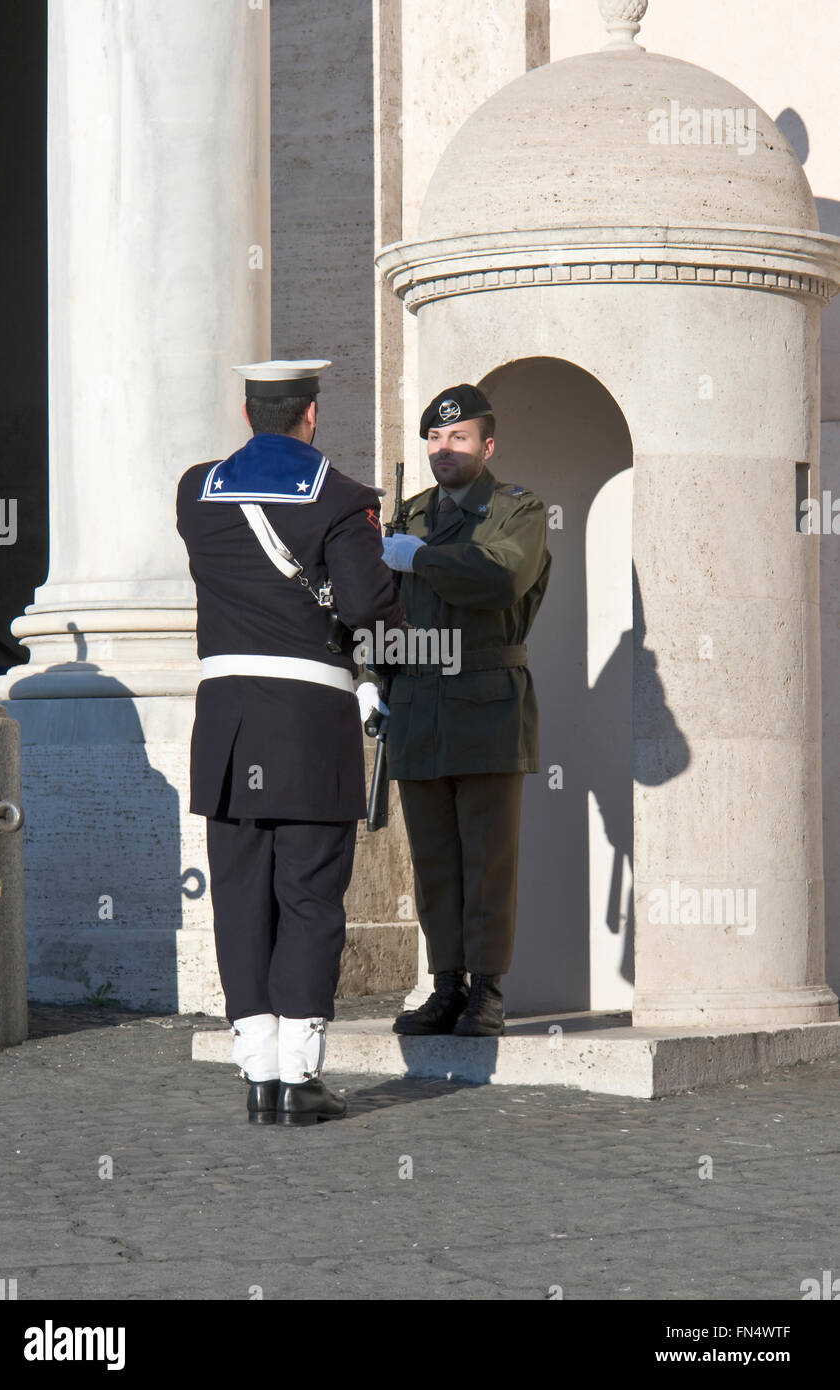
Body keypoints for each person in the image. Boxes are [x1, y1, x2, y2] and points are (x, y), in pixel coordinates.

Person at [176, 360, 401, 1125]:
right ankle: (301, 1079)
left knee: (240, 897)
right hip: (309, 722)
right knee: (308, 898)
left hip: (229, 720)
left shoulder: (195, 491)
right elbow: (370, 607)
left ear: (246, 413)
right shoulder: (342, 498)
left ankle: (257, 1077)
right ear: (311, 415)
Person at [379, 383, 551, 1037]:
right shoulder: (411, 515)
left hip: (485, 703)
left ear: (487, 444)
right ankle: (445, 985)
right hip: (418, 704)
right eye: (433, 438)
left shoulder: (517, 510)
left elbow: (499, 577)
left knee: (488, 858)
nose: (442, 448)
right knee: (435, 860)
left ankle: (486, 991)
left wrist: (422, 558)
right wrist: (373, 677)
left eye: (457, 437)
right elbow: (386, 609)